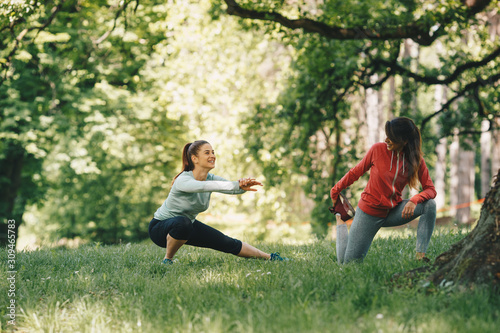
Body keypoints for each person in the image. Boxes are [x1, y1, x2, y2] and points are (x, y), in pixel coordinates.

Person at [149, 140, 286, 264]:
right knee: (183, 223)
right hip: (160, 229)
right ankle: (168, 260)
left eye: (213, 152)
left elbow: (232, 189)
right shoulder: (183, 180)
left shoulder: (210, 178)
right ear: (194, 159)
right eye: (207, 153)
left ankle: (270, 257)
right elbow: (205, 186)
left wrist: (242, 186)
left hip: (187, 226)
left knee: (226, 242)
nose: (212, 156)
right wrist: (236, 184)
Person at [330, 117, 437, 264]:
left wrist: (414, 200)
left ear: (404, 140)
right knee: (347, 264)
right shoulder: (377, 150)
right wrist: (335, 191)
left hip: (393, 211)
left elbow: (430, 190)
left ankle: (420, 257)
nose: (386, 140)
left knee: (429, 205)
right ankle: (340, 219)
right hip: (369, 213)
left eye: (391, 137)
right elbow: (356, 172)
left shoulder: (415, 159)